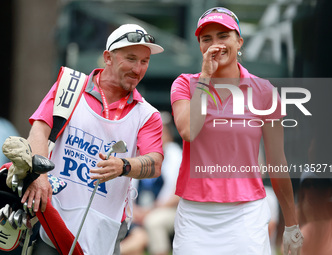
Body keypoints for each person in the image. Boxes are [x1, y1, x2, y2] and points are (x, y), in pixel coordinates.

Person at [19, 24, 164, 255]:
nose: (138, 69)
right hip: (52, 222)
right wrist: (39, 176)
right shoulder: (69, 85)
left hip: (105, 232)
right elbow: (38, 131)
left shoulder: (147, 115)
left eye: (144, 61)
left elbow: (155, 163)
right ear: (108, 57)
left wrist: (124, 166)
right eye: (131, 58)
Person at [170, 7, 303, 255]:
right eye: (206, 39)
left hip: (246, 213)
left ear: (239, 41)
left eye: (223, 36)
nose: (215, 44)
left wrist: (291, 224)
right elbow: (189, 130)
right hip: (195, 214)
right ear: (199, 45)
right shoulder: (185, 84)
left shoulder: (263, 91)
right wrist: (206, 77)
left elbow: (277, 161)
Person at [120, 111, 181, 255]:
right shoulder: (139, 154)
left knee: (153, 222)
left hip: (166, 209)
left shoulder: (177, 156)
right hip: (137, 210)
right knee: (136, 241)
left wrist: (152, 209)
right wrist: (134, 210)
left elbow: (178, 194)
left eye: (162, 132)